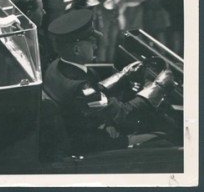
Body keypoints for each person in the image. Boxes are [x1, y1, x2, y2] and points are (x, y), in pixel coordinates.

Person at [43, 9, 175, 155]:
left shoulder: (56, 66)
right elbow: (124, 115)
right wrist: (159, 87)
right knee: (164, 137)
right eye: (92, 42)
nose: (96, 46)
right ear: (76, 49)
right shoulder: (80, 88)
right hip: (90, 146)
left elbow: (93, 94)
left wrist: (123, 74)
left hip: (84, 130)